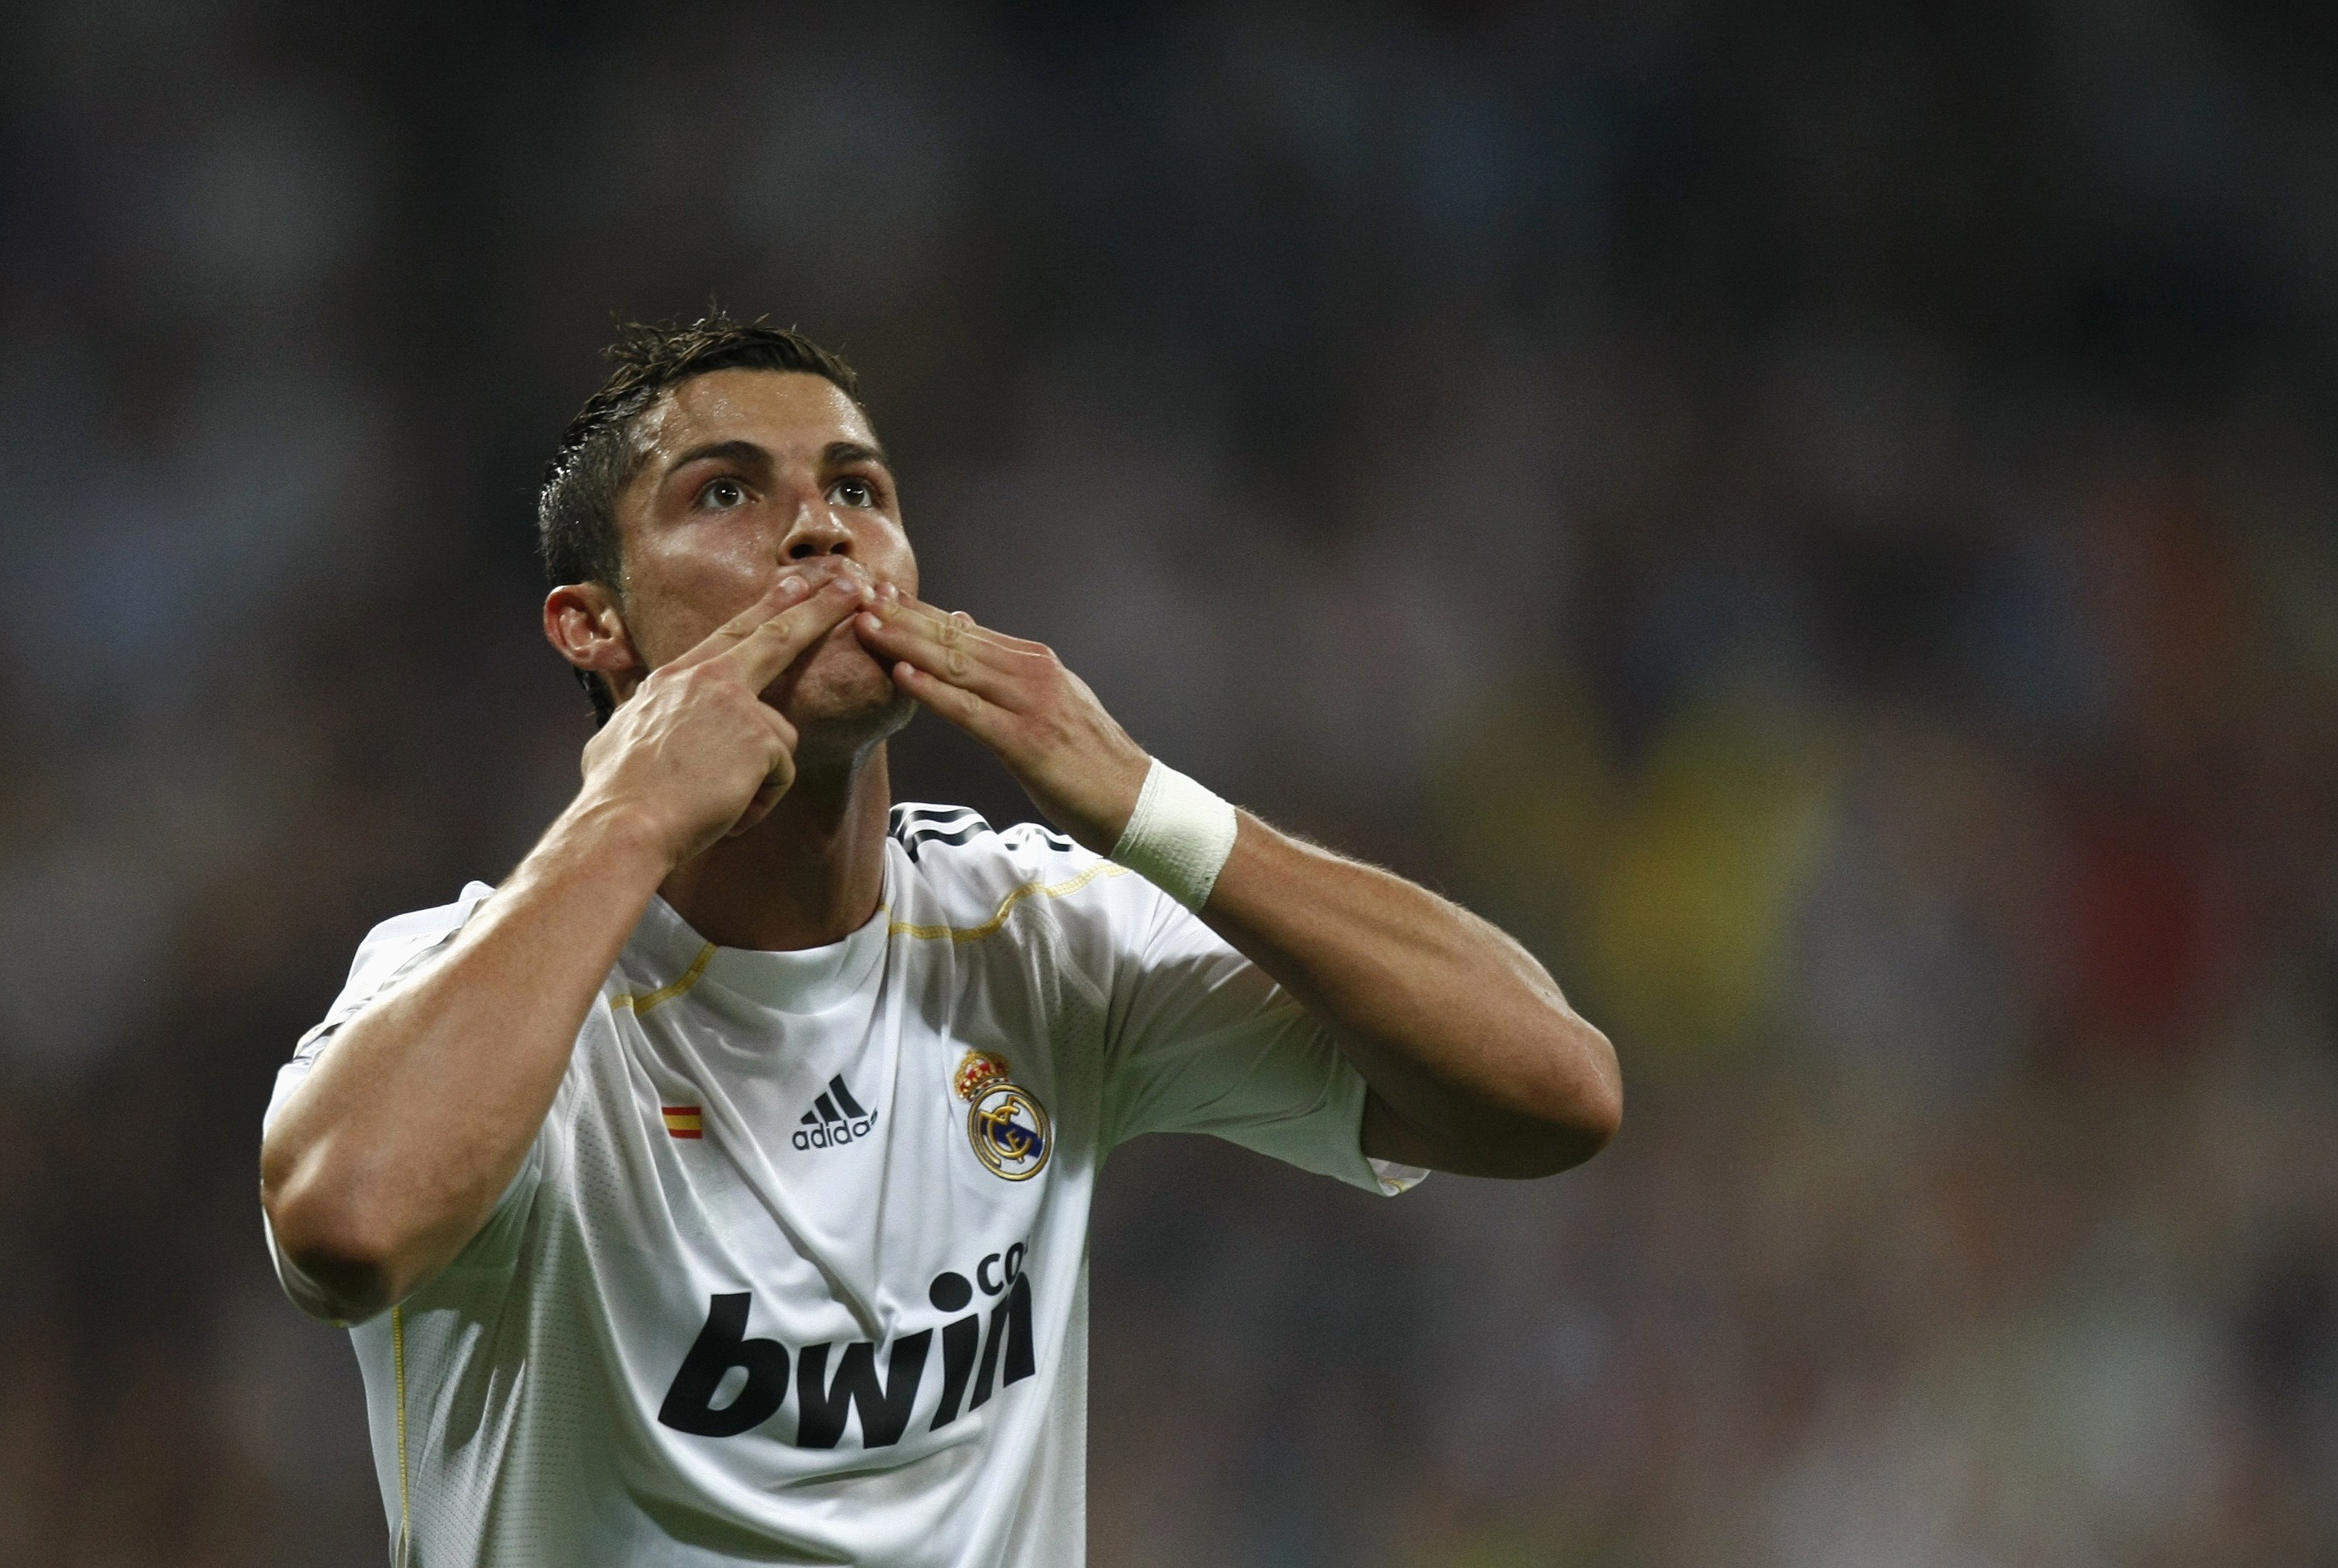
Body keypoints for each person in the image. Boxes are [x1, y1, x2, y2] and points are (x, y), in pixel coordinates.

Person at [258, 313, 1622, 1567]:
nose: (818, 532)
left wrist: (1152, 806)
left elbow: (1554, 1094)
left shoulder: (1036, 932)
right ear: (591, 625)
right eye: (725, 491)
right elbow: (349, 1226)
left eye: (857, 488)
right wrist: (628, 814)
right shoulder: (480, 980)